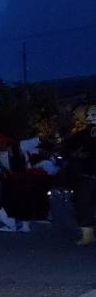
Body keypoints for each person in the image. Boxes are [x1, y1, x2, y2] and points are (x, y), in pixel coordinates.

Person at [60, 104, 96, 246]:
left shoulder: (82, 135)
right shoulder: (82, 135)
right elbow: (67, 150)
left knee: (83, 203)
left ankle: (89, 234)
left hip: (87, 176)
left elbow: (67, 150)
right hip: (87, 176)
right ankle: (88, 234)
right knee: (83, 203)